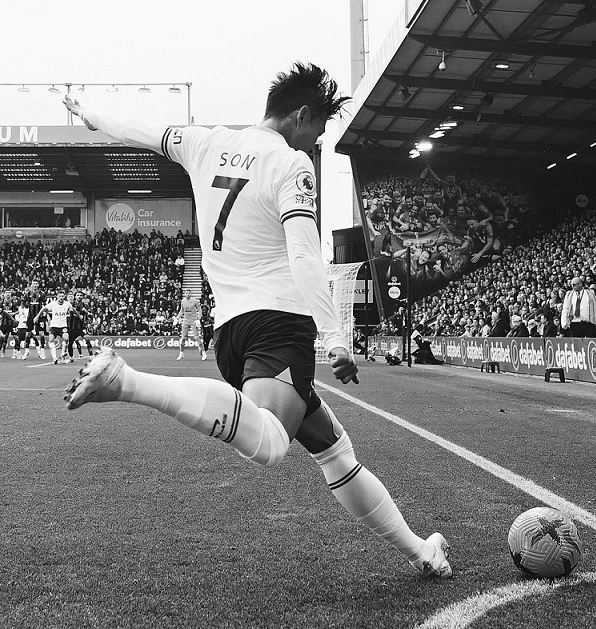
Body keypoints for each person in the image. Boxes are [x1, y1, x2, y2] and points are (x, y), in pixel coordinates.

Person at [62, 63, 451, 579]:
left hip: (231, 333)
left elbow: (140, 130)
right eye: (319, 129)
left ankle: (419, 549)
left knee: (336, 453)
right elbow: (305, 256)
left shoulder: (202, 142)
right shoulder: (291, 166)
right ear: (302, 114)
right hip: (279, 325)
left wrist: (88, 113)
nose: (317, 141)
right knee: (268, 444)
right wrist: (334, 337)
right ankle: (126, 382)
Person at [34, 290, 73, 364]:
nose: (61, 298)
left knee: (66, 338)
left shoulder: (67, 304)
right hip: (54, 326)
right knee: (51, 340)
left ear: (64, 297)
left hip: (63, 326)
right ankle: (54, 358)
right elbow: (43, 309)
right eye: (60, 296)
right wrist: (37, 316)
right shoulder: (53, 304)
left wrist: (78, 316)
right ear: (57, 297)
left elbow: (72, 310)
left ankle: (63, 353)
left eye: (62, 296)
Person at [175, 289, 207, 361]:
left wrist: (198, 318)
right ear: (185, 293)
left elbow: (200, 309)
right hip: (186, 321)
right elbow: (182, 311)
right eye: (186, 293)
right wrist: (177, 318)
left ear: (191, 294)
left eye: (189, 293)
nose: (188, 294)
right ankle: (181, 353)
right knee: (183, 338)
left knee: (196, 337)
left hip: (193, 321)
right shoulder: (183, 301)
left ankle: (204, 352)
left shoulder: (195, 301)